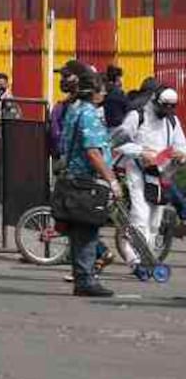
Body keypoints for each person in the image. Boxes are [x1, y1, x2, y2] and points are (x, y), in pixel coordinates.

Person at [59, 70, 119, 297]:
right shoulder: (89, 114)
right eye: (101, 88)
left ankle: (81, 276)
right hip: (85, 182)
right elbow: (93, 153)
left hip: (71, 179)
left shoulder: (73, 110)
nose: (104, 92)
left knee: (78, 232)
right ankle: (85, 280)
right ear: (92, 92)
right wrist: (111, 180)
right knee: (87, 230)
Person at [113, 86, 186, 272]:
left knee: (155, 222)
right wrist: (141, 152)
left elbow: (181, 145)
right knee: (140, 215)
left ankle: (147, 259)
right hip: (137, 171)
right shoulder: (137, 116)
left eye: (171, 107)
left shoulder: (172, 121)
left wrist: (181, 155)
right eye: (164, 107)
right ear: (155, 102)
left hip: (162, 175)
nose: (167, 111)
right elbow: (117, 141)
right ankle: (134, 259)